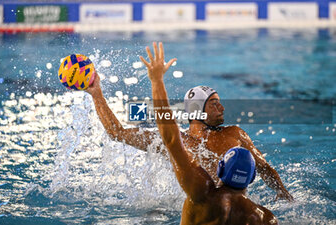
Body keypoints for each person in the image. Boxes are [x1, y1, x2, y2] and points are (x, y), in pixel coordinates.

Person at [85, 42, 293, 201]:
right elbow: (116, 132)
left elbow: (264, 168)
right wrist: (97, 94)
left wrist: (285, 197)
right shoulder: (175, 141)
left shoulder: (235, 134)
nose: (221, 108)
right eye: (214, 104)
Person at [139, 42, 278, 224]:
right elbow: (268, 170)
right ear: (252, 178)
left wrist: (157, 81)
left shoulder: (201, 193)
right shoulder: (265, 218)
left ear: (220, 169)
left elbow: (171, 138)